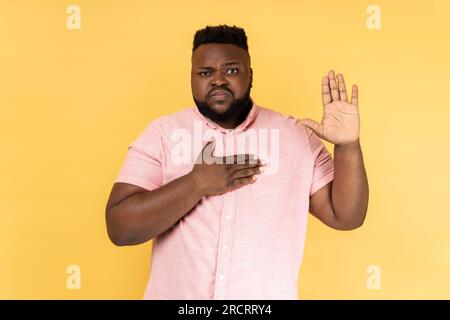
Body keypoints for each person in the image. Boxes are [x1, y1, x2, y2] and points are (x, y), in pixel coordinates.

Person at [105, 25, 369, 300]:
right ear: (192, 78)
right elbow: (120, 229)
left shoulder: (296, 137)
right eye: (206, 73)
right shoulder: (162, 134)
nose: (218, 80)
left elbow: (346, 217)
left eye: (231, 70)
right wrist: (196, 184)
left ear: (250, 76)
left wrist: (348, 146)